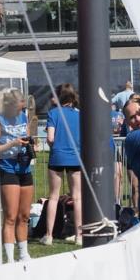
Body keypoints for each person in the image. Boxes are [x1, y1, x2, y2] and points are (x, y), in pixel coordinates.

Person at [41, 84, 83, 246]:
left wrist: (56, 147)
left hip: (57, 157)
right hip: (75, 158)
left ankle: (49, 235)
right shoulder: (80, 115)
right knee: (77, 197)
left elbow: (50, 138)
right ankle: (79, 236)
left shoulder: (53, 113)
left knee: (53, 196)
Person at [0, 89, 34, 263]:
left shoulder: (23, 117)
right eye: (19, 108)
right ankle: (10, 258)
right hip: (7, 168)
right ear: (10, 105)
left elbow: (27, 134)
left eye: (23, 108)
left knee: (24, 215)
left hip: (24, 168)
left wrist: (31, 142)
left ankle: (23, 253)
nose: (21, 111)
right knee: (11, 215)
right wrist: (12, 143)